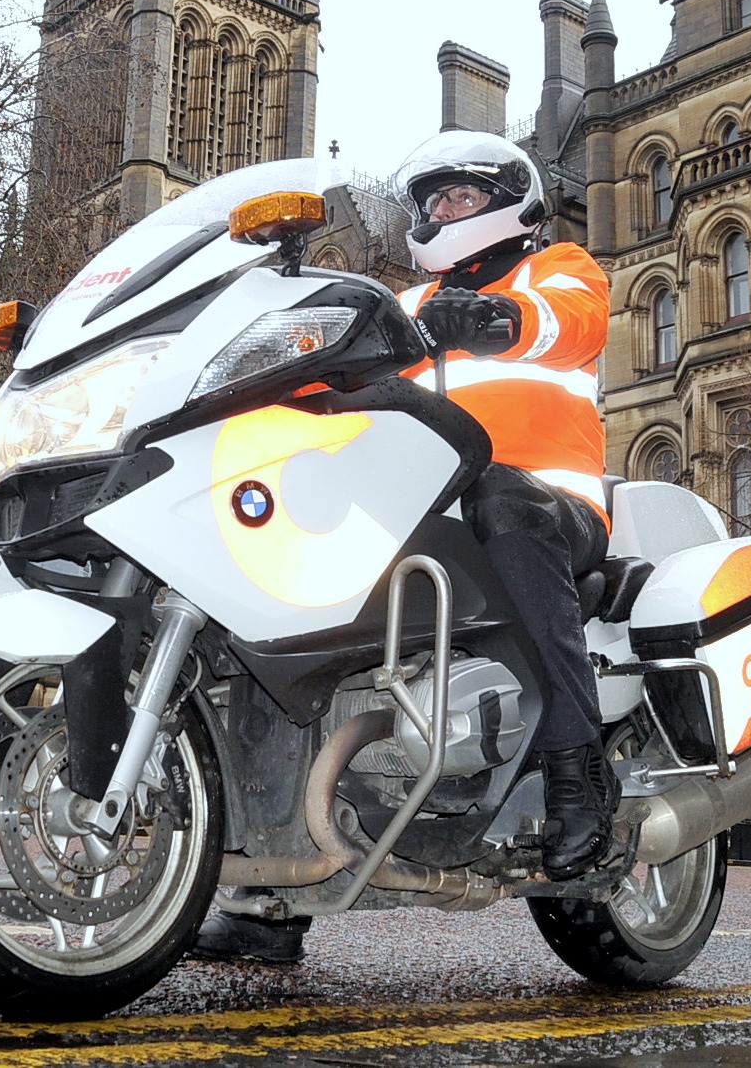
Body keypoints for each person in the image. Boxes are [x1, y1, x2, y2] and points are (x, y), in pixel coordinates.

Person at [191, 131, 614, 964]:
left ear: (508, 204)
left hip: (552, 509)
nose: (442, 213)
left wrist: (502, 317)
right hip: (422, 519)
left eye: (459, 197)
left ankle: (578, 760)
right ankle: (268, 893)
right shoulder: (410, 308)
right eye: (431, 202)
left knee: (502, 493)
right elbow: (327, 378)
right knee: (284, 602)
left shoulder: (556, 268)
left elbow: (568, 323)